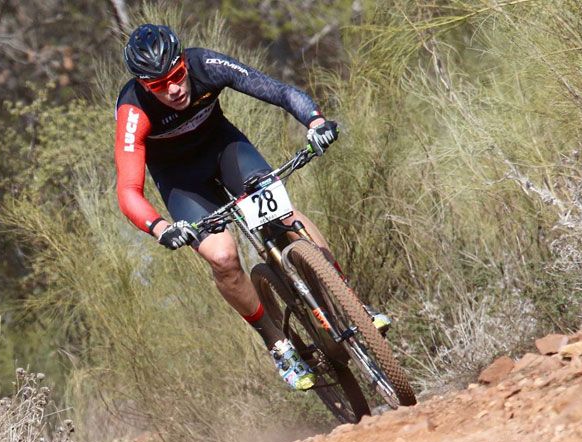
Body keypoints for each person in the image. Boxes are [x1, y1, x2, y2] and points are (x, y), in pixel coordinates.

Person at [113, 23, 389, 391]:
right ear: (145, 86)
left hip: (226, 150)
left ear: (184, 62)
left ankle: (349, 300)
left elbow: (277, 91)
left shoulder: (206, 65)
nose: (174, 89)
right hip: (182, 181)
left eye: (177, 76)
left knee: (284, 216)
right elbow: (128, 190)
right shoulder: (133, 111)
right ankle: (277, 344)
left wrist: (316, 122)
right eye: (158, 85)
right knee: (223, 257)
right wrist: (162, 228)